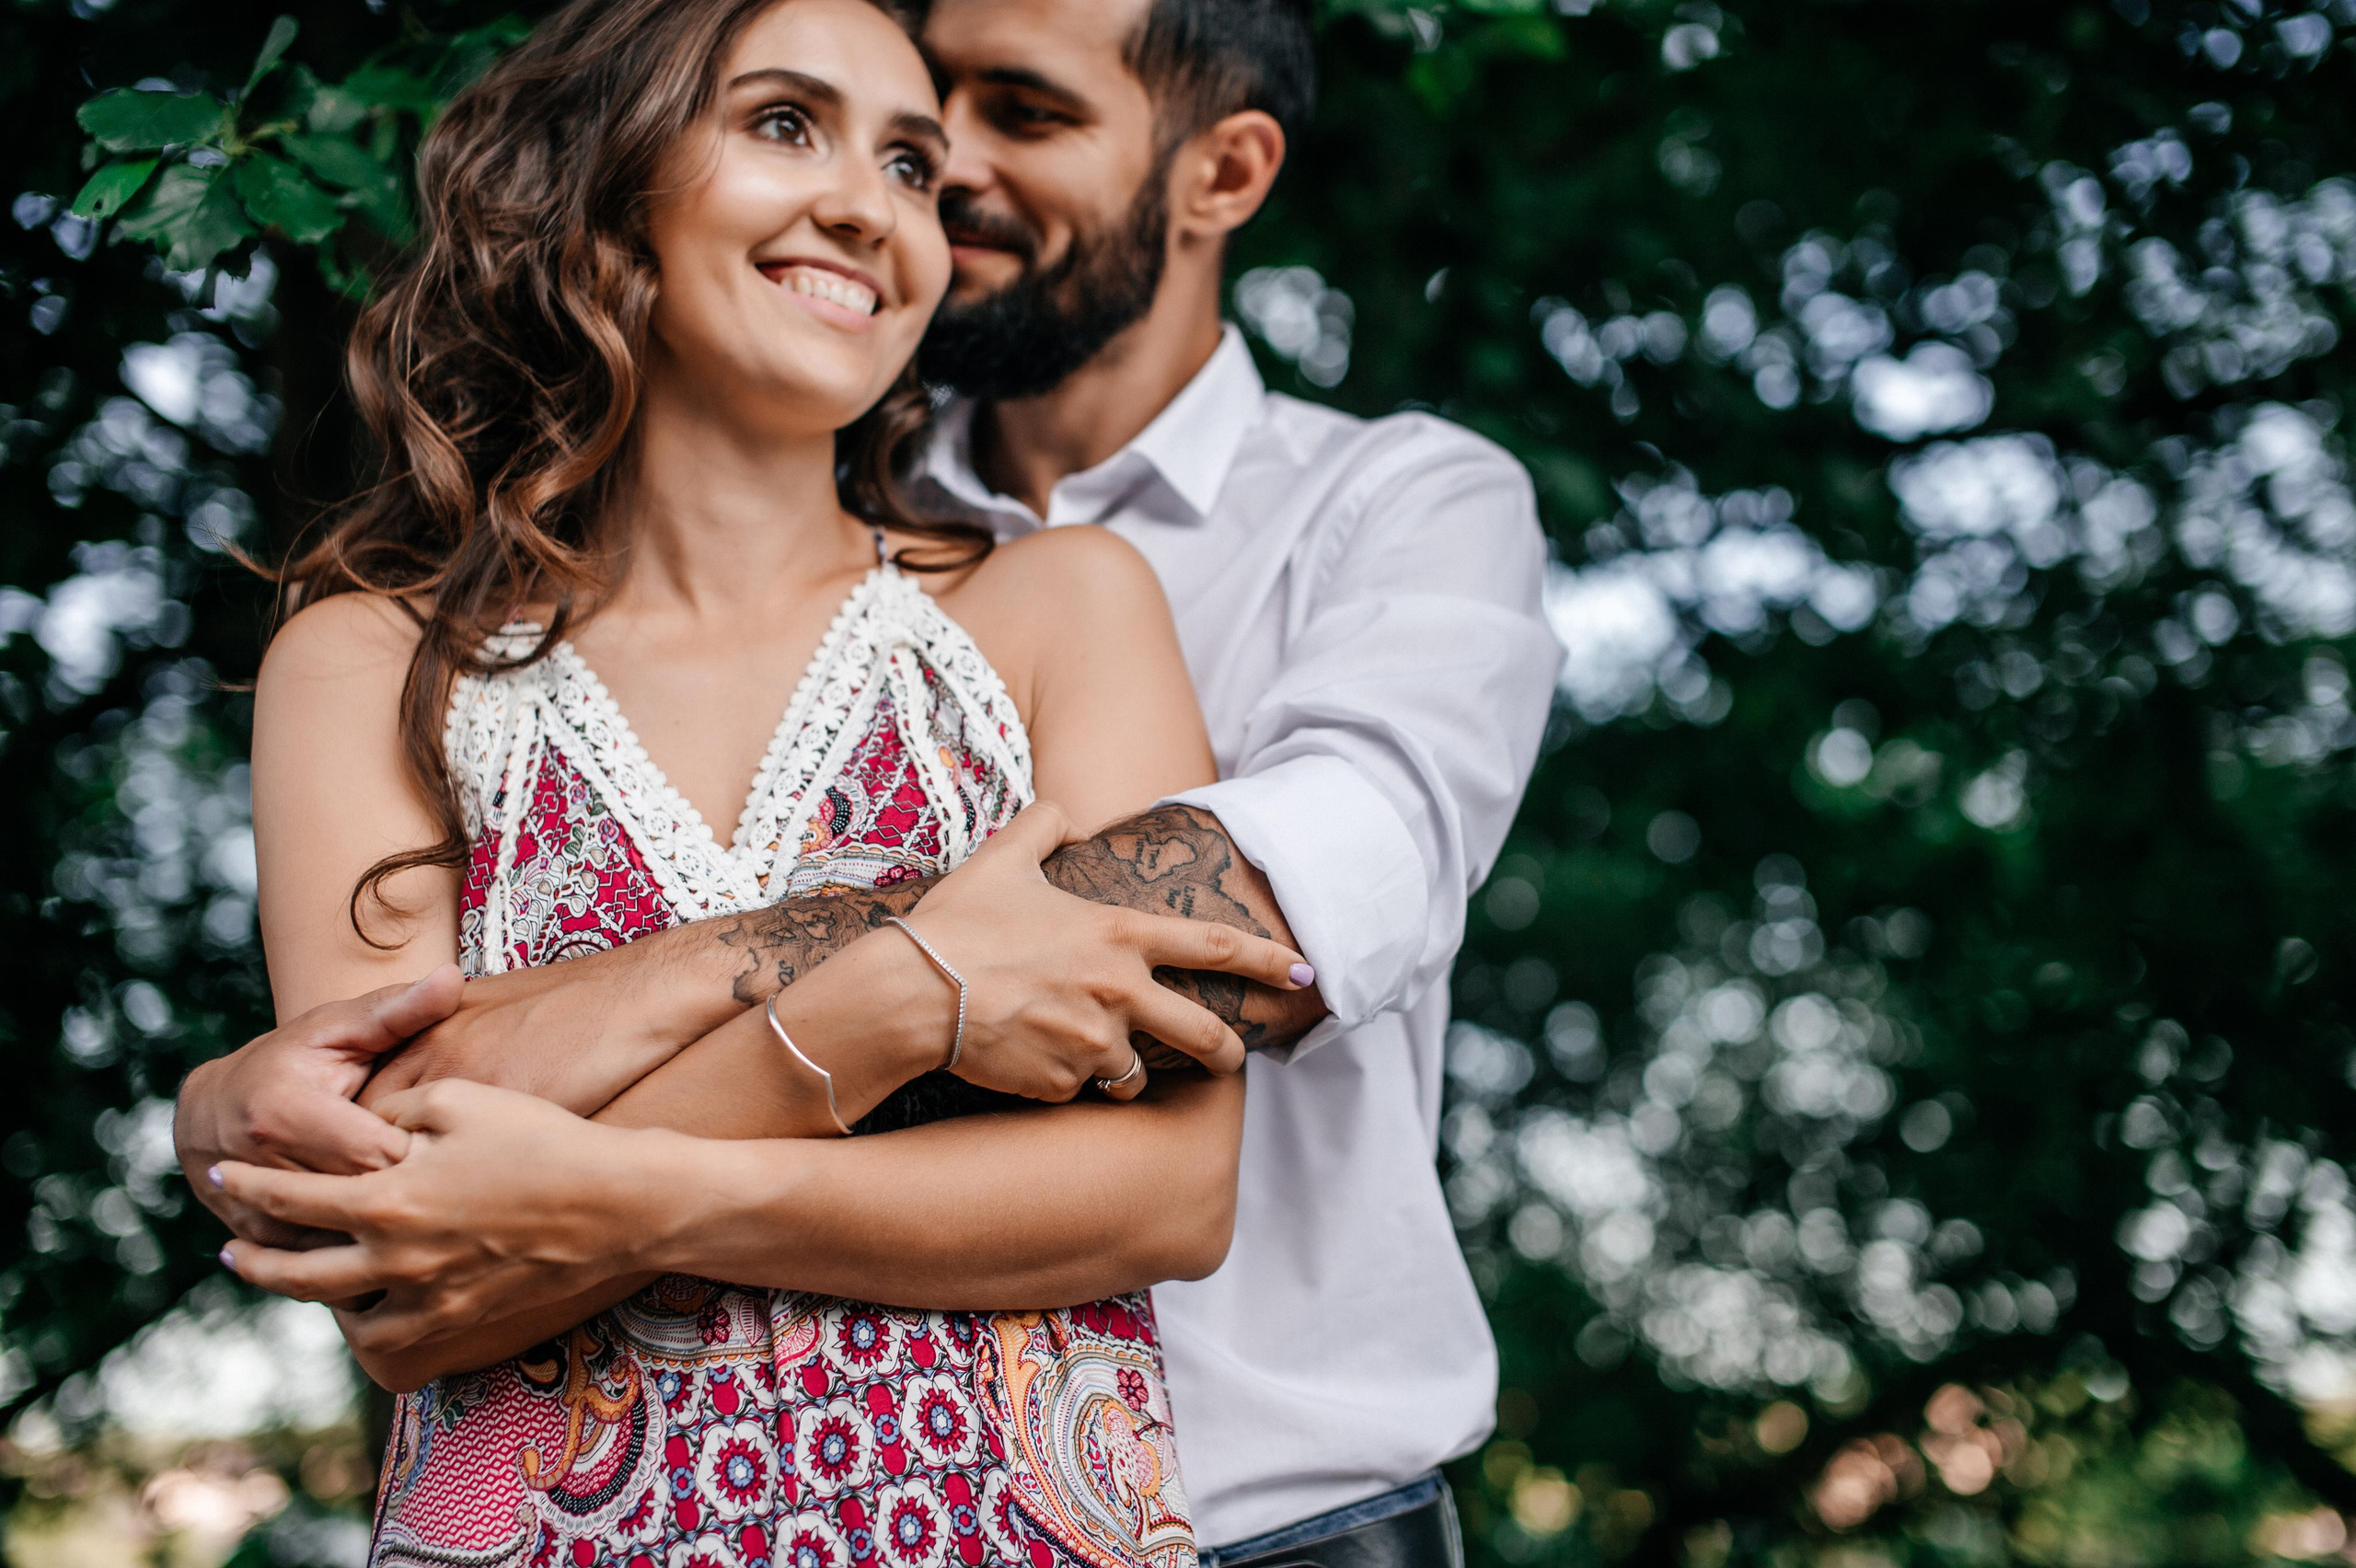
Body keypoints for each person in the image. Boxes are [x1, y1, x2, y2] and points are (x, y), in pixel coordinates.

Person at [182, 1, 1564, 1565]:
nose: (926, 184)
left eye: (938, 146)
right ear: (610, 180)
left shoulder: (1241, 549)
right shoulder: (375, 663)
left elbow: (1185, 1130)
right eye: (791, 124)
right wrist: (892, 987)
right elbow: (382, 1232)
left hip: (1219, 1509)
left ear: (1226, 172)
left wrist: (601, 1172)